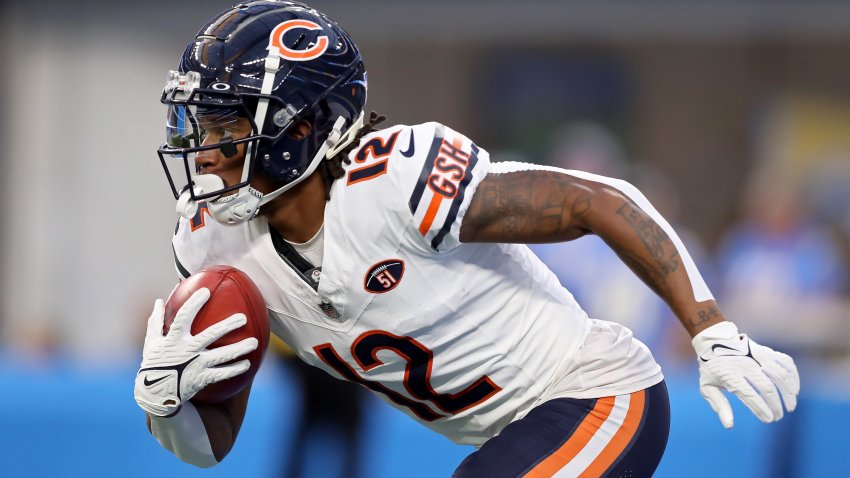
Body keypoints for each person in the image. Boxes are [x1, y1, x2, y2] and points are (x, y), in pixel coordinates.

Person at [133, 2, 800, 476]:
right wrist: (166, 405)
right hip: (511, 436)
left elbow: (597, 200)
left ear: (304, 127)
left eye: (227, 130)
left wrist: (709, 326)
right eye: (200, 128)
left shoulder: (394, 181)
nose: (206, 154)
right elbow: (210, 447)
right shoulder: (212, 248)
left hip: (596, 394)